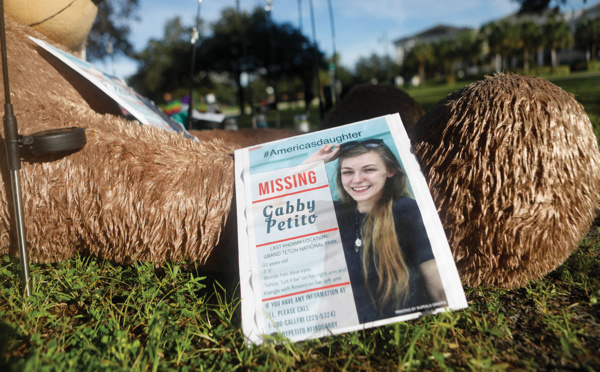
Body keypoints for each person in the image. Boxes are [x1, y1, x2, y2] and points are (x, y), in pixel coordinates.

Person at [305, 139, 446, 323]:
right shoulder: (336, 214)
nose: (356, 179)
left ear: (390, 171)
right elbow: (266, 208)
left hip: (401, 328)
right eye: (347, 172)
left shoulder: (406, 210)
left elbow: (434, 274)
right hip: (347, 331)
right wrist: (310, 164)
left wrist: (445, 325)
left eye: (369, 170)